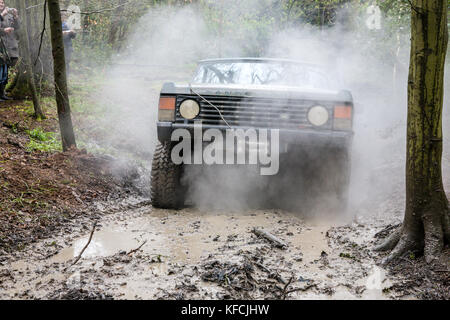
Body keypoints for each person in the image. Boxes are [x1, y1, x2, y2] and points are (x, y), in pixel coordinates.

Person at [0, 0, 19, 101]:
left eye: (2, 3)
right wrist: (4, 30)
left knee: (4, 73)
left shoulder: (8, 15)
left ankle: (2, 93)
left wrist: (15, 17)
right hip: (0, 47)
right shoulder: (2, 14)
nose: (1, 5)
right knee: (0, 72)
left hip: (9, 47)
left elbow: (17, 27)